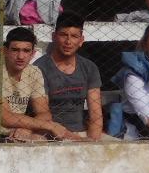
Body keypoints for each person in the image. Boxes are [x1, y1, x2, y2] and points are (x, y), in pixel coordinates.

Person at [0, 27, 71, 143]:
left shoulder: (34, 72)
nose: (20, 56)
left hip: (12, 131)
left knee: (42, 140)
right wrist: (50, 126)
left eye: (26, 51)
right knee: (33, 141)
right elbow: (5, 118)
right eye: (15, 50)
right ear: (5, 51)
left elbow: (44, 113)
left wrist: (27, 129)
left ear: (33, 53)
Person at [33, 12, 104, 140]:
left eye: (74, 36)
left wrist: (92, 144)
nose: (68, 41)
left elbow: (96, 116)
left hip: (81, 133)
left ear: (81, 40)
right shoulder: (40, 67)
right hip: (50, 134)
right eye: (63, 35)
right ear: (54, 37)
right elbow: (43, 114)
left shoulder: (89, 67)